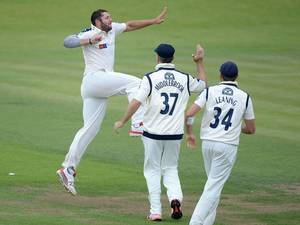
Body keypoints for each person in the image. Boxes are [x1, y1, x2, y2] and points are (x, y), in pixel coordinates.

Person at [56, 7, 168, 196]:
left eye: (110, 17)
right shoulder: (90, 31)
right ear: (98, 21)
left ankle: (68, 169)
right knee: (138, 84)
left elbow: (131, 25)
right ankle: (138, 122)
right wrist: (89, 40)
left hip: (98, 89)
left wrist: (153, 21)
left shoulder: (112, 29)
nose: (111, 19)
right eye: (107, 18)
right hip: (94, 79)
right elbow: (67, 42)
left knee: (90, 129)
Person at [114, 43, 207, 221]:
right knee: (171, 169)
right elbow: (203, 85)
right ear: (172, 58)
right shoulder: (184, 78)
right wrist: (199, 62)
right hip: (175, 134)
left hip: (152, 133)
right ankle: (175, 199)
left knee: (152, 171)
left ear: (157, 57)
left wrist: (123, 120)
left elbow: (136, 102)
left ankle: (155, 211)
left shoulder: (150, 78)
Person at [185, 61, 256, 225]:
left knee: (213, 185)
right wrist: (236, 129)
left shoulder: (210, 92)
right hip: (227, 146)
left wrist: (190, 133)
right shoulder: (244, 97)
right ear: (236, 76)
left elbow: (189, 114)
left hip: (208, 144)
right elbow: (251, 129)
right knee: (213, 187)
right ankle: (195, 222)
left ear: (220, 75)